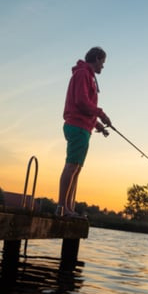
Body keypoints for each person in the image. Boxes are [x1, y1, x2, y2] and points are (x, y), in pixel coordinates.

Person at [57, 46, 112, 218]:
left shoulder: (87, 75)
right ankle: (62, 208)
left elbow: (85, 107)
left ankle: (68, 208)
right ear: (96, 59)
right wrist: (101, 114)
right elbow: (81, 102)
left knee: (76, 168)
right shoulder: (82, 74)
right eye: (102, 62)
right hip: (77, 127)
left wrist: (98, 125)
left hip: (83, 127)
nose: (103, 66)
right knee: (72, 166)